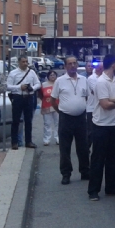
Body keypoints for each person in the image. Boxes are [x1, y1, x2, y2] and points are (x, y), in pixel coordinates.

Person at [88, 54, 115, 201]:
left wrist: (113, 99)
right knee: (98, 159)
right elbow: (105, 105)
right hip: (101, 125)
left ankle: (111, 187)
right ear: (114, 65)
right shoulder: (101, 82)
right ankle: (93, 190)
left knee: (114, 158)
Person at [52, 57, 90, 185]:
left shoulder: (84, 79)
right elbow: (53, 100)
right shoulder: (60, 81)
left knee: (83, 147)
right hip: (66, 118)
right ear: (65, 66)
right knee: (65, 147)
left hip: (81, 118)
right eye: (69, 64)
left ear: (77, 65)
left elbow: (87, 97)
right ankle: (66, 174)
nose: (72, 65)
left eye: (74, 63)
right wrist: (61, 111)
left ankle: (85, 171)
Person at [7, 56, 41, 149]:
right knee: (16, 120)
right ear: (19, 62)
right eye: (23, 62)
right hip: (18, 97)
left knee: (28, 120)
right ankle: (14, 142)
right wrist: (19, 87)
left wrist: (32, 88)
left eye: (26, 62)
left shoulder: (31, 72)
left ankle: (28, 141)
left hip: (29, 97)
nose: (25, 63)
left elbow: (38, 83)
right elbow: (8, 86)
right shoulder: (13, 73)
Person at [40, 70, 60, 146]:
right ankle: (46, 140)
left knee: (58, 123)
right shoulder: (43, 85)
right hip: (46, 106)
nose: (52, 76)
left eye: (54, 75)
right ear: (48, 76)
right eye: (51, 75)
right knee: (47, 124)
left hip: (57, 106)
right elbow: (41, 95)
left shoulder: (59, 83)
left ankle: (58, 138)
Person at [86, 62, 103, 147]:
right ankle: (86, 149)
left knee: (98, 132)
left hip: (101, 108)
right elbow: (97, 92)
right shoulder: (91, 78)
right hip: (91, 108)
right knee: (90, 131)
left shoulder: (104, 77)